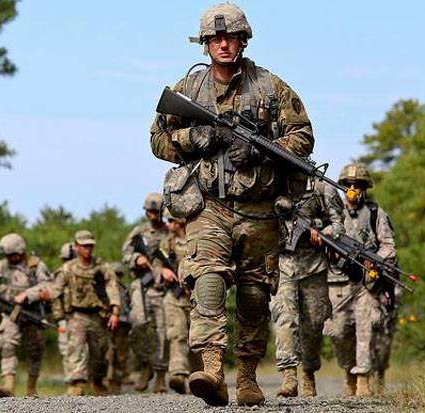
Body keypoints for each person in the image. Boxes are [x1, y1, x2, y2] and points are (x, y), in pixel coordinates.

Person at [150, 2, 314, 406]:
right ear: (205, 44)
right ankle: (210, 367)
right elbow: (157, 141)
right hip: (209, 207)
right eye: (215, 38)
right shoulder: (187, 91)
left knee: (255, 296)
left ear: (243, 39)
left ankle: (246, 377)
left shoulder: (271, 88)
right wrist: (196, 139)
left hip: (259, 211)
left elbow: (304, 138)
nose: (223, 44)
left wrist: (264, 151)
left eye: (230, 37)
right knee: (206, 280)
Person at [324, 162, 397, 396]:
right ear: (342, 186)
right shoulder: (332, 214)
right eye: (348, 184)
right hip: (338, 283)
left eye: (358, 184)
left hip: (366, 283)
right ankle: (348, 372)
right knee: (338, 331)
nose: (353, 188)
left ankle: (363, 378)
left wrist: (374, 260)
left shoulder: (376, 213)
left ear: (365, 187)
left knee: (366, 327)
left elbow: (389, 247)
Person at [272, 178, 344, 397]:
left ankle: (308, 373)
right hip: (283, 263)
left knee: (313, 324)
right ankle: (289, 376)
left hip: (314, 265)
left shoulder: (322, 187)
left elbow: (339, 224)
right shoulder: (273, 181)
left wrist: (323, 231)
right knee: (284, 317)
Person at [0, 233, 52, 397]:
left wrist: (28, 294)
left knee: (35, 350)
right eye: (7, 255)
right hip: (10, 312)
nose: (10, 258)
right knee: (7, 344)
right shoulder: (3, 265)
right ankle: (8, 385)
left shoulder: (36, 266)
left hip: (31, 313)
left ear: (21, 251)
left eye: (12, 255)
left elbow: (49, 285)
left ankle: (31, 389)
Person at [51, 230, 121, 396]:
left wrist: (115, 312)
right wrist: (59, 317)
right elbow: (56, 293)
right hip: (76, 315)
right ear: (76, 247)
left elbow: (113, 287)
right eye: (84, 246)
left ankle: (97, 382)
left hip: (98, 315)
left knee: (100, 352)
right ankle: (77, 383)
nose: (88, 249)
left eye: (90, 246)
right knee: (76, 348)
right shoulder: (67, 269)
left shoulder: (102, 267)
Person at [122, 193, 169, 393]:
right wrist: (135, 259)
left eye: (154, 211)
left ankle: (159, 375)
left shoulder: (170, 232)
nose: (151, 215)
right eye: (148, 211)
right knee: (138, 325)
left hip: (164, 289)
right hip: (141, 285)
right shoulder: (138, 232)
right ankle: (146, 365)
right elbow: (125, 254)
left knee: (163, 332)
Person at [154, 209, 192, 395]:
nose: (167, 224)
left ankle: (200, 378)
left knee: (199, 338)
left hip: (198, 299)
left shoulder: (198, 238)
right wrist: (163, 272)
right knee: (176, 333)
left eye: (171, 220)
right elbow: (156, 263)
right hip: (175, 297)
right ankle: (178, 373)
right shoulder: (167, 242)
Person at [106, 262, 132, 394]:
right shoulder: (107, 287)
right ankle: (109, 380)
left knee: (121, 353)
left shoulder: (125, 288)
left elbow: (129, 305)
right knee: (109, 352)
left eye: (118, 274)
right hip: (108, 323)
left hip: (123, 324)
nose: (117, 277)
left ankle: (118, 381)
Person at [57, 242, 76, 380]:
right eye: (64, 260)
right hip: (64, 317)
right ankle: (70, 381)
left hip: (82, 315)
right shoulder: (59, 274)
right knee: (65, 349)